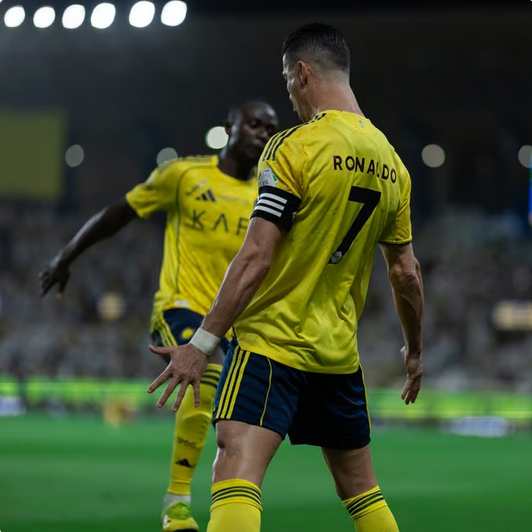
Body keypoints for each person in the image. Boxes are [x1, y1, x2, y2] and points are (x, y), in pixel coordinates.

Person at [148, 23, 425, 532]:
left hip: (271, 344)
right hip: (338, 355)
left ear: (302, 73)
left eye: (287, 82)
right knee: (361, 488)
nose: (291, 96)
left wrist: (201, 344)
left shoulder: (295, 146)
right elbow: (405, 273)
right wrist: (414, 351)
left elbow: (256, 256)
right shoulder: (394, 166)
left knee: (235, 466)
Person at [38, 100, 279, 532]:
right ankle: (177, 502)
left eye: (270, 127)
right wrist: (66, 255)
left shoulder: (269, 195)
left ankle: (231, 509)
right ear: (230, 127)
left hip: (236, 323)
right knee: (208, 368)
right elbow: (121, 211)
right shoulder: (183, 174)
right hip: (181, 306)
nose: (262, 133)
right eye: (254, 124)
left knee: (237, 420)